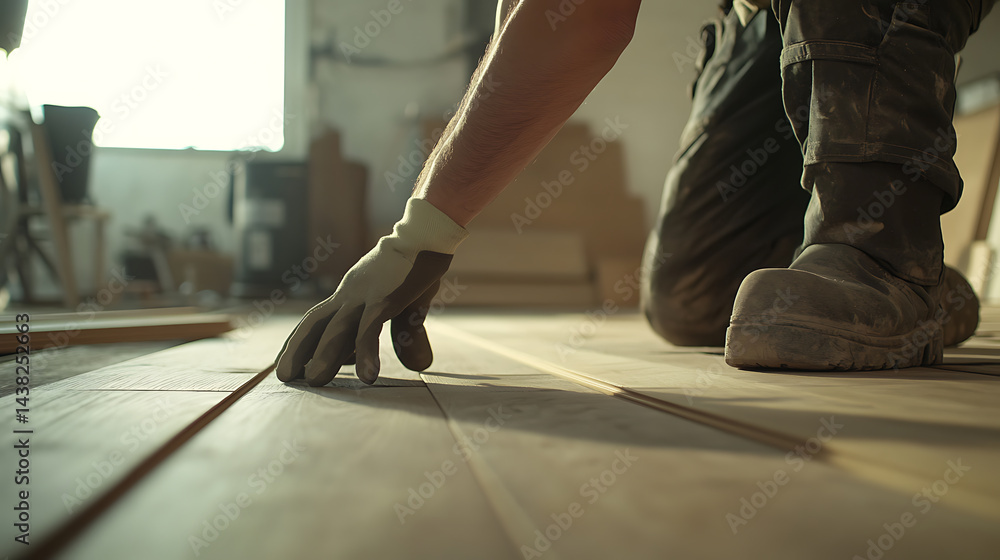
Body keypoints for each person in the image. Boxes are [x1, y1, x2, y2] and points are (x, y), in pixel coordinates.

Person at [276, 0, 993, 386]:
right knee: (698, 301)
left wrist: (417, 232)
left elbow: (586, 12)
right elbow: (537, 21)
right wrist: (428, 234)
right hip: (771, 14)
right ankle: (918, 286)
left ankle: (887, 265)